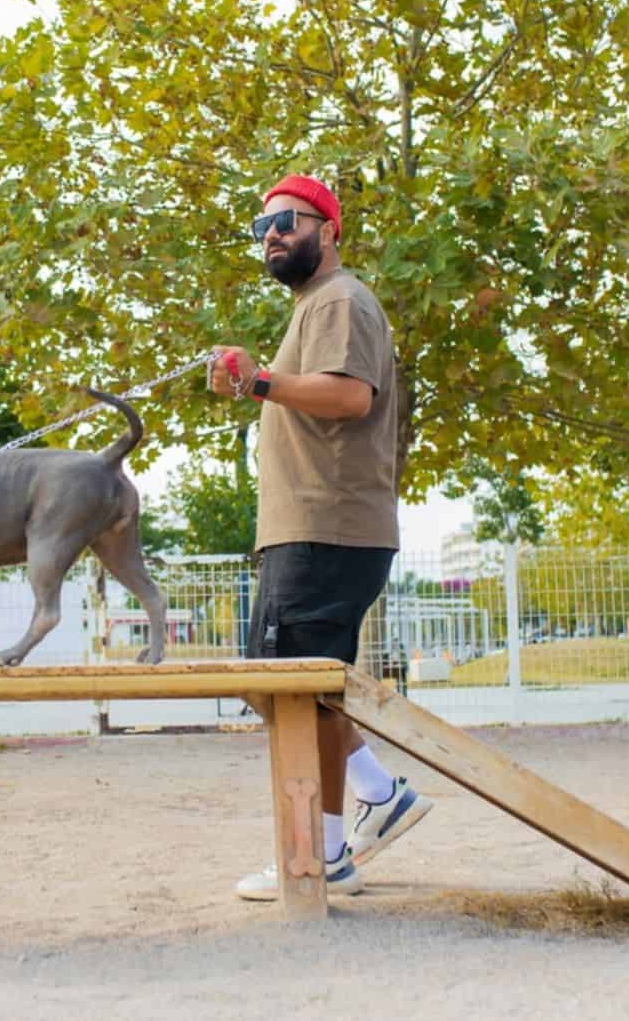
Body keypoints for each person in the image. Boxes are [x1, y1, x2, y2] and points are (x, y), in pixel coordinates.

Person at [210, 174, 433, 900]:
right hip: (318, 529)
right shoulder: (317, 304)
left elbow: (348, 396)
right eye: (262, 225)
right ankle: (375, 794)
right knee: (297, 690)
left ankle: (321, 853)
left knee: (290, 691)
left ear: (329, 230)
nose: (271, 234)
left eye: (288, 220)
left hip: (325, 527)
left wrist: (260, 383)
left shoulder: (339, 300)